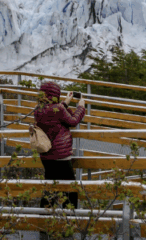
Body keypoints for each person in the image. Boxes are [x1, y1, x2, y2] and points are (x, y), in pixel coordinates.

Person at [33, 80, 86, 209]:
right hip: (61, 156)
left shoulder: (38, 110)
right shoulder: (59, 109)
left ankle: (44, 223)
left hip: (46, 156)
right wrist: (81, 107)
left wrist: (65, 103)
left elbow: (53, 113)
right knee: (70, 190)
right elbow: (73, 121)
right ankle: (69, 220)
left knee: (50, 189)